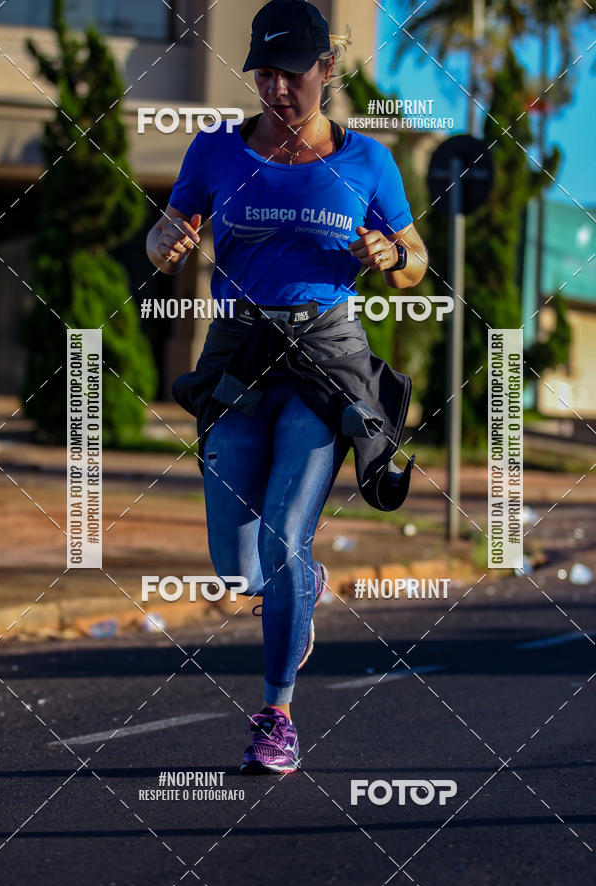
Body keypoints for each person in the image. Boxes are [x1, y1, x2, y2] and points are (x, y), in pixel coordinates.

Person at [146, 0, 428, 775]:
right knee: (236, 564)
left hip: (323, 354)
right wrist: (164, 239)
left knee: (282, 537)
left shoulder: (367, 161)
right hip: (238, 349)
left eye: (290, 74)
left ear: (326, 72)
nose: (276, 89)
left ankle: (277, 713)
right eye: (263, 74)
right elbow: (165, 233)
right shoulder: (214, 152)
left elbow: (416, 257)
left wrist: (389, 254)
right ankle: (295, 592)